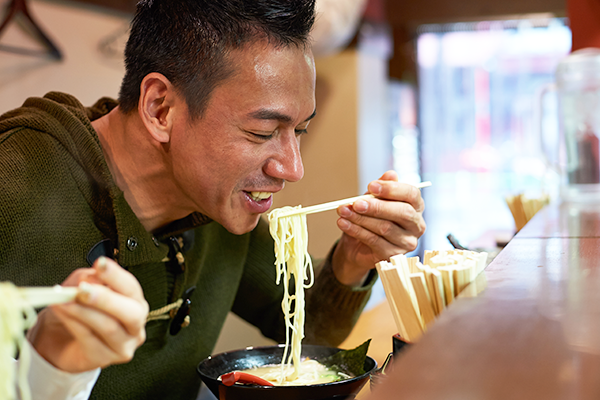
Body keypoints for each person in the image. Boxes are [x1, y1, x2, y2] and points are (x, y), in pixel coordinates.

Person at [0, 0, 426, 399]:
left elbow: (308, 329)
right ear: (161, 109)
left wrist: (354, 257)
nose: (293, 169)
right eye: (261, 133)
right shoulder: (14, 181)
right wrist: (47, 361)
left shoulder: (215, 208)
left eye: (299, 131)